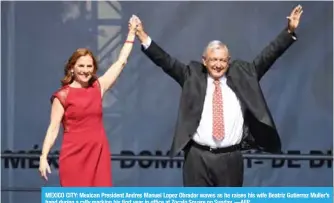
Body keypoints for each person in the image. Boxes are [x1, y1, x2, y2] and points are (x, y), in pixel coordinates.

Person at [133, 5, 303, 187]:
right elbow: (166, 61)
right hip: (197, 158)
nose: (218, 64)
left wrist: (289, 31)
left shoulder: (244, 75)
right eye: (214, 59)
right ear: (204, 61)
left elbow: (268, 56)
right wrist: (143, 36)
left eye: (222, 60)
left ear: (228, 62)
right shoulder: (192, 76)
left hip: (231, 159)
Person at [38, 16, 137, 186]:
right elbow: (53, 128)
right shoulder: (62, 95)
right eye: (81, 66)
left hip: (98, 153)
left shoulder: (98, 87)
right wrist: (43, 157)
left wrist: (132, 34)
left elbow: (120, 63)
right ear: (72, 68)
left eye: (89, 66)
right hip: (73, 155)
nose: (85, 70)